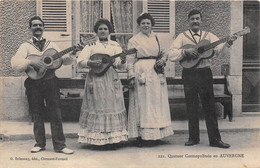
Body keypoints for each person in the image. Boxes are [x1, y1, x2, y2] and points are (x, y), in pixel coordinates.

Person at [167, 9, 237, 148]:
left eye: (198, 18)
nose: (195, 21)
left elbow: (220, 52)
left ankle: (215, 140)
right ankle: (193, 138)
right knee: (191, 106)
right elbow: (171, 54)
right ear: (188, 21)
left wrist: (228, 43)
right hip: (189, 74)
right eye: (192, 19)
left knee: (209, 106)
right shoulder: (182, 36)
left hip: (205, 73)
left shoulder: (209, 36)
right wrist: (184, 51)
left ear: (201, 20)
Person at [11, 16, 75, 154]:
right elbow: (15, 63)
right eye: (34, 25)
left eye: (40, 25)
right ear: (30, 28)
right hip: (34, 83)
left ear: (44, 27)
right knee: (37, 113)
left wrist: (73, 52)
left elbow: (63, 60)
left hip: (51, 81)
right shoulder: (25, 46)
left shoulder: (52, 45)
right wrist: (30, 62)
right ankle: (39, 143)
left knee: (56, 113)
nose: (38, 27)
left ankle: (60, 146)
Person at [77, 19, 128, 149]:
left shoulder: (115, 45)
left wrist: (122, 60)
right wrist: (91, 63)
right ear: (97, 31)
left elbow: (120, 66)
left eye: (105, 29)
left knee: (111, 105)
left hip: (111, 78)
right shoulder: (91, 45)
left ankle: (111, 140)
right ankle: (96, 141)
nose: (103, 31)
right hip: (95, 78)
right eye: (100, 29)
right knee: (97, 105)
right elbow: (80, 60)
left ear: (109, 31)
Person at [127, 13, 173, 147]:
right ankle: (141, 136)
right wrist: (131, 76)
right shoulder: (134, 40)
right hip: (141, 71)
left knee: (156, 102)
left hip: (156, 71)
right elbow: (130, 60)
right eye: (143, 23)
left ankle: (156, 135)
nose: (146, 25)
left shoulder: (157, 37)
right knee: (142, 103)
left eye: (148, 23)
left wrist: (162, 61)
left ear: (152, 24)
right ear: (139, 25)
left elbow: (165, 53)